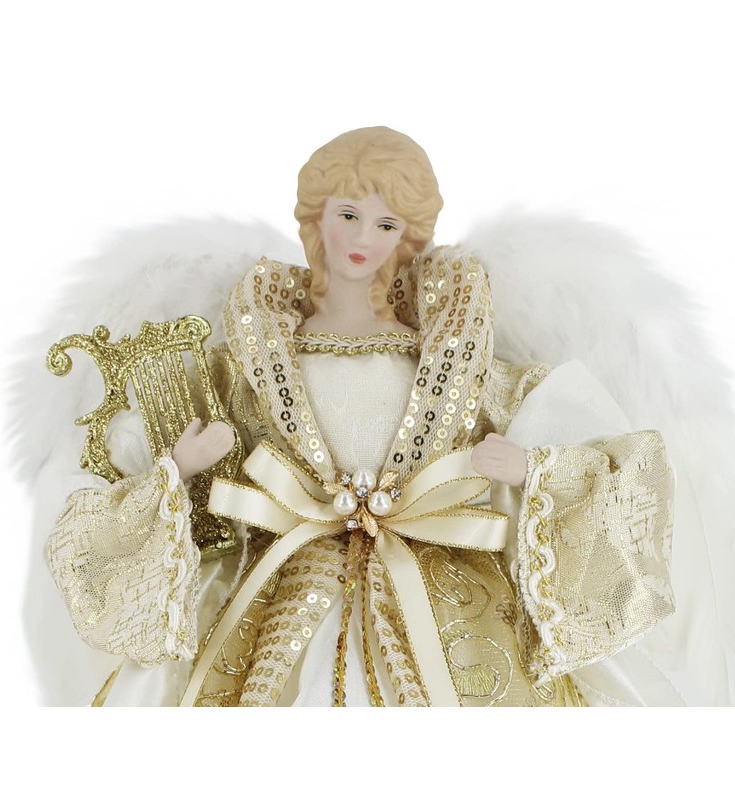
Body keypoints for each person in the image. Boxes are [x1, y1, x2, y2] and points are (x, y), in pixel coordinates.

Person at [45, 127, 675, 706]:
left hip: (442, 592)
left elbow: (602, 453)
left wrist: (531, 467)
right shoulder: (257, 359)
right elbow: (176, 437)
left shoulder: (450, 360)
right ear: (317, 217)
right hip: (287, 582)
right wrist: (179, 467)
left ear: (407, 236)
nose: (363, 239)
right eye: (348, 215)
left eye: (385, 223)